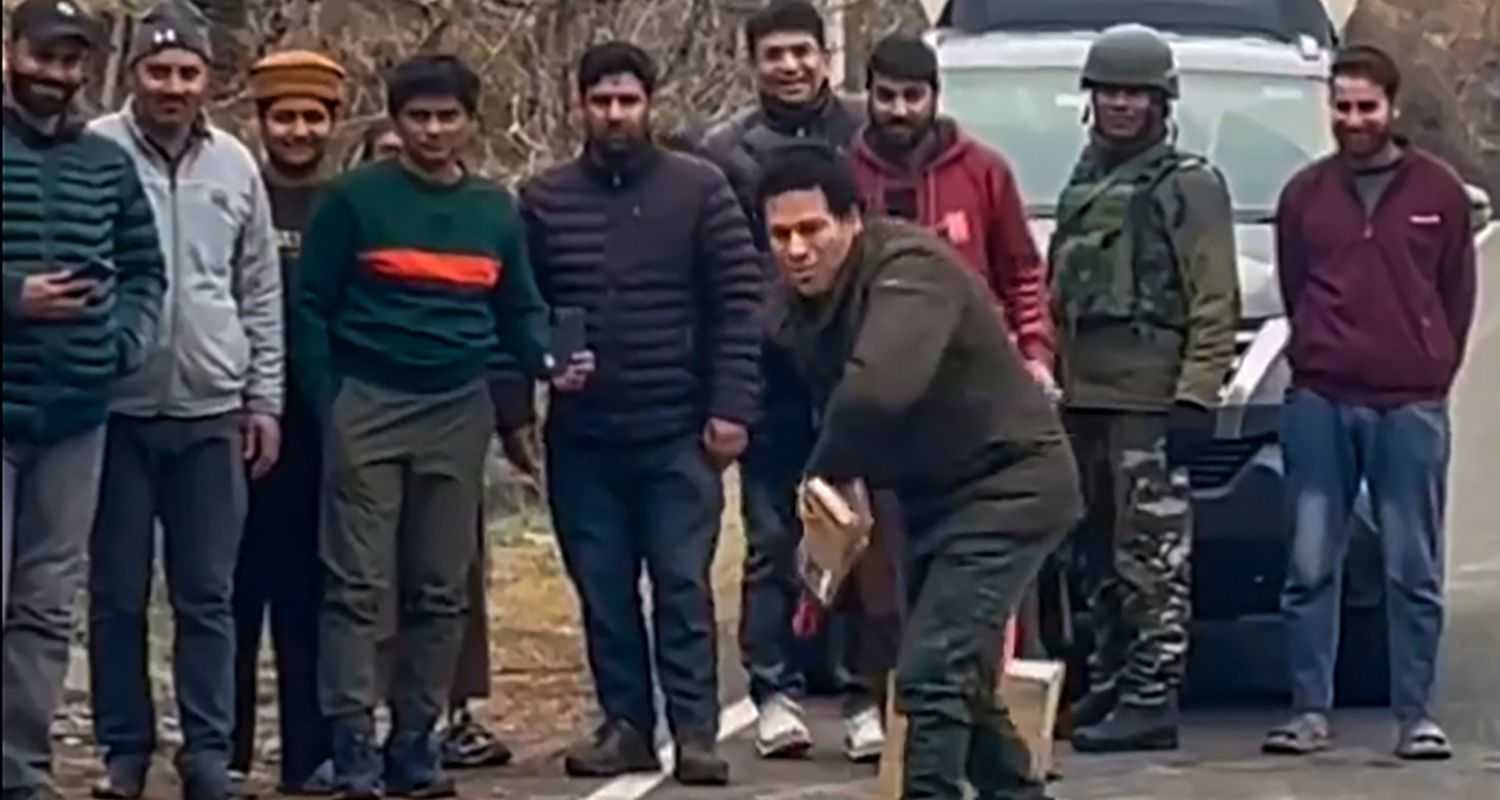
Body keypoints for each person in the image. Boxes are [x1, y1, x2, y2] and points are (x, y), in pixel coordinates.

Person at [759, 144, 1082, 800]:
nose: (796, 249)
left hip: (1012, 483)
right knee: (956, 675)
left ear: (852, 220)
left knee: (930, 673)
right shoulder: (793, 309)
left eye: (812, 230)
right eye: (780, 234)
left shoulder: (911, 269)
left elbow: (878, 391)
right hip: (931, 496)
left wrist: (821, 481)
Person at [294, 53, 549, 798]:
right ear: (395, 123)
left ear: (471, 121)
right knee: (357, 585)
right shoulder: (353, 199)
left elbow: (519, 309)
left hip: (456, 406)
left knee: (441, 586)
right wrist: (329, 401)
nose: (433, 131)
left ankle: (417, 742)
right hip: (367, 399)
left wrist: (549, 358)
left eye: (448, 116)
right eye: (418, 117)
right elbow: (311, 305)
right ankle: (352, 749)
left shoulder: (492, 209)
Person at [520, 41, 762, 787]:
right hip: (584, 437)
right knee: (603, 587)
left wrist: (731, 407)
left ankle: (694, 729)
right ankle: (625, 724)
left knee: (683, 584)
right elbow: (519, 311)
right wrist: (528, 388)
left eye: (628, 100)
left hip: (679, 430)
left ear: (649, 104)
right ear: (579, 106)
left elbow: (740, 304)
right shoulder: (543, 198)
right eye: (601, 100)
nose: (615, 114)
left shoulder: (701, 189)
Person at [85, 2, 285, 798]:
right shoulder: (93, 151)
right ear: (134, 72)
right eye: (158, 70)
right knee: (116, 594)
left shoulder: (236, 165)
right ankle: (123, 750)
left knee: (208, 594)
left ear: (210, 78)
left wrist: (263, 397)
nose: (172, 86)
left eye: (187, 72)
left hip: (211, 413)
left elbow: (258, 289)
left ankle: (207, 752)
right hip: (114, 411)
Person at [1263, 44, 1475, 761]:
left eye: (1366, 107)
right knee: (1309, 563)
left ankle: (1416, 715)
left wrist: (1432, 368)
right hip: (1320, 400)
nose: (1353, 121)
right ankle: (1308, 712)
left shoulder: (1438, 194)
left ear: (1392, 107)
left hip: (1409, 406)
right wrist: (1320, 350)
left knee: (1411, 568)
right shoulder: (1304, 195)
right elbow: (1296, 285)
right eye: (1342, 107)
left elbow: (1457, 295)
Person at [699, 0, 890, 762]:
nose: (789, 66)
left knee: (857, 538)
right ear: (754, 63)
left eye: (801, 51)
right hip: (769, 370)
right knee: (774, 541)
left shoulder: (863, 134)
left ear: (823, 57)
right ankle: (773, 689)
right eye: (773, 54)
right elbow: (722, 271)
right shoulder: (725, 150)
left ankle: (860, 693)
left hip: (852, 363)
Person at [1046, 23, 1239, 754]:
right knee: (1093, 555)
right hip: (1084, 399)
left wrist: (1196, 396)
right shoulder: (1085, 178)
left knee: (1150, 560)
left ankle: (1152, 696)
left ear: (1163, 102)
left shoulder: (1187, 184)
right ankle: (1113, 679)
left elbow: (1214, 298)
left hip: (1148, 404)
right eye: (1110, 92)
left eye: (1137, 94)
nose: (1123, 105)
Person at [1, 2, 166, 798]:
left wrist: (124, 343)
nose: (55, 77)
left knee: (43, 607)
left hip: (75, 416)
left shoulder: (106, 162)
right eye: (43, 58)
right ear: (10, 52)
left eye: (70, 63)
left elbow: (144, 268)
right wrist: (12, 296)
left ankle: (22, 773)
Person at [227, 48, 347, 796]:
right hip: (232, 422)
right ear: (260, 119)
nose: (298, 130)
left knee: (309, 596)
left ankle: (308, 755)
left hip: (321, 426)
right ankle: (227, 751)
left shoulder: (347, 205)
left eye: (312, 117)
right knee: (231, 595)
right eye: (284, 116)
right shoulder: (240, 193)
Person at [850, 33, 1054, 392]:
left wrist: (1034, 354)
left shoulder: (984, 171)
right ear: (868, 96)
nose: (899, 110)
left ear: (935, 97)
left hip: (971, 372)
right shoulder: (846, 175)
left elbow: (1022, 274)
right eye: (886, 96)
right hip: (874, 377)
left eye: (913, 96)